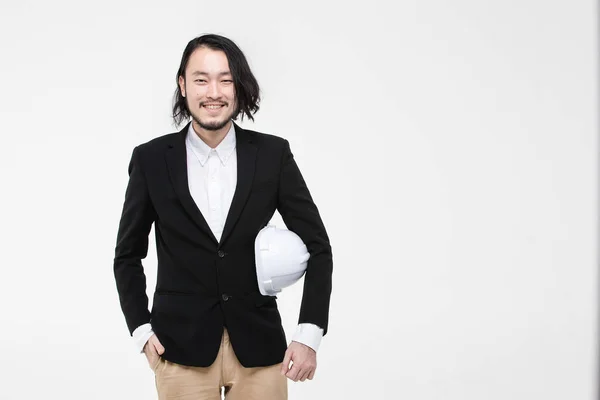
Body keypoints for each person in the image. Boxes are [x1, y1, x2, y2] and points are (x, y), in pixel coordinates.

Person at [112, 33, 333, 400]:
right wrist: (141, 331)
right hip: (179, 350)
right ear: (183, 85)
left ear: (239, 87)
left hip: (261, 350)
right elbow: (127, 255)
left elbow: (318, 247)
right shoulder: (151, 160)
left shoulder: (272, 155)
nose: (213, 91)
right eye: (201, 79)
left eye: (225, 79)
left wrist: (309, 336)